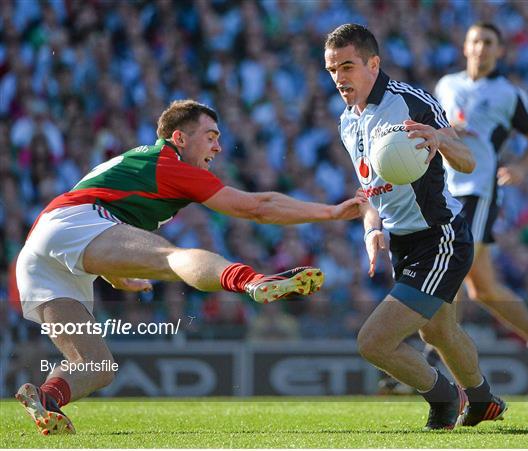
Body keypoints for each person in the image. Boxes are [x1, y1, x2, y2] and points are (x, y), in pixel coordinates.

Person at [15, 99, 366, 435]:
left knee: (96, 365)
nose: (218, 148)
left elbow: (95, 214)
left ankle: (47, 398)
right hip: (73, 225)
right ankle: (251, 280)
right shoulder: (171, 165)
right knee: (173, 258)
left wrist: (115, 272)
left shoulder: (141, 162)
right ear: (180, 139)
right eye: (210, 137)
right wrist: (331, 212)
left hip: (40, 252)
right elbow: (258, 206)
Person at [324, 23, 506, 430]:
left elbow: (468, 161)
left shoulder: (411, 102)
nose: (339, 78)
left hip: (440, 238)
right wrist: (373, 229)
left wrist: (439, 140)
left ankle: (444, 400)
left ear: (373, 64)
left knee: (373, 342)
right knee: (438, 332)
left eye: (347, 67)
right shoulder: (346, 122)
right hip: (402, 242)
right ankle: (481, 401)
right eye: (332, 70)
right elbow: (369, 190)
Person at [434, 22, 528, 354]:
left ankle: (431, 355)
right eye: (475, 41)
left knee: (453, 263)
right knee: (483, 288)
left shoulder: (508, 94)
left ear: (499, 50)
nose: (481, 47)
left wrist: (522, 166)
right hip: (445, 189)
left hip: (479, 191)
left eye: (488, 42)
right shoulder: (446, 85)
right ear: (465, 47)